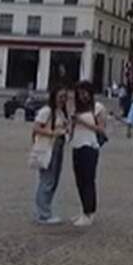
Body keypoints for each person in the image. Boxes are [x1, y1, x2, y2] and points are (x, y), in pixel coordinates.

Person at [31, 85, 71, 225]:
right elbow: (36, 127)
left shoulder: (60, 112)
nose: (63, 100)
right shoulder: (47, 111)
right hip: (49, 146)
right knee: (47, 180)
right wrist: (53, 133)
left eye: (65, 97)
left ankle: (45, 208)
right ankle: (43, 213)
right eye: (60, 97)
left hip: (58, 146)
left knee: (53, 179)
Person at [69, 83, 107, 228]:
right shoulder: (77, 109)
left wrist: (82, 121)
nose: (82, 96)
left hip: (90, 146)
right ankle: (83, 209)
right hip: (77, 144)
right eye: (79, 93)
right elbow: (72, 128)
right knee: (79, 180)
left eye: (85, 93)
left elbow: (101, 129)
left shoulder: (98, 108)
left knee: (88, 180)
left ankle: (89, 212)